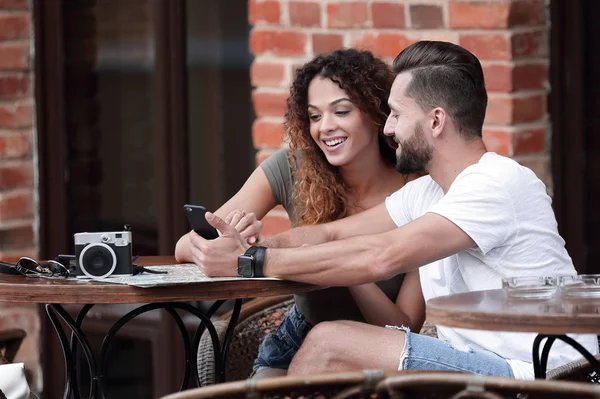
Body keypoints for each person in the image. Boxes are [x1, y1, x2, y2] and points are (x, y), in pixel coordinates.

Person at [188, 41, 599, 380]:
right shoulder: (428, 192)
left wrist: (253, 262)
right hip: (487, 363)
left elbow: (381, 255)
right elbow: (331, 233)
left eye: (398, 115)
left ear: (435, 121)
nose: (388, 129)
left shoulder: (496, 182)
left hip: (543, 374)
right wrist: (248, 245)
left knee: (330, 343)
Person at [175, 49, 423, 377]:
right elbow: (184, 246)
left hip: (379, 358)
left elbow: (403, 329)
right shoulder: (292, 168)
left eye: (342, 111)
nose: (326, 128)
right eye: (315, 116)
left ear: (376, 112)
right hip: (296, 344)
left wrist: (340, 265)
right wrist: (220, 244)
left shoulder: (419, 191)